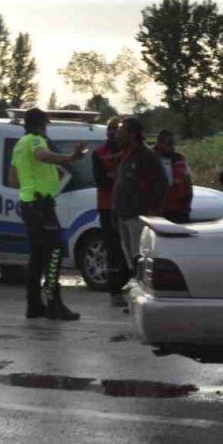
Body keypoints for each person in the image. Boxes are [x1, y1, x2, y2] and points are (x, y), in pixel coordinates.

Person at [10, 108, 88, 321]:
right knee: (54, 252)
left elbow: (13, 179)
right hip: (40, 205)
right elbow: (42, 156)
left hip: (28, 203)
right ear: (41, 124)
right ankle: (54, 303)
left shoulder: (19, 145)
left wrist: (30, 184)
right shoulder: (35, 140)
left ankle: (34, 306)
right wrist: (71, 157)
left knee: (36, 256)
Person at [111, 117, 168, 288]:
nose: (117, 135)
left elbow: (162, 183)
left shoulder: (146, 155)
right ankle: (137, 291)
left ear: (132, 134)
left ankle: (144, 293)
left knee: (140, 258)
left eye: (121, 132)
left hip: (138, 216)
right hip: (123, 215)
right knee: (131, 261)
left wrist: (154, 209)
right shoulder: (126, 155)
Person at [91, 117, 129, 307]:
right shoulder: (99, 153)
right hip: (107, 207)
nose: (113, 132)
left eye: (117, 129)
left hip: (128, 206)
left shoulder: (130, 151)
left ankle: (129, 285)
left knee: (129, 249)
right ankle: (115, 291)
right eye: (110, 129)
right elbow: (101, 180)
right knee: (113, 249)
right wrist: (120, 177)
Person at [154, 129, 194, 224]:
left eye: (173, 143)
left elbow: (188, 184)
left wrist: (187, 207)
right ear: (159, 144)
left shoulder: (180, 159)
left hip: (179, 211)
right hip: (160, 212)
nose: (172, 147)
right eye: (169, 144)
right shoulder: (151, 160)